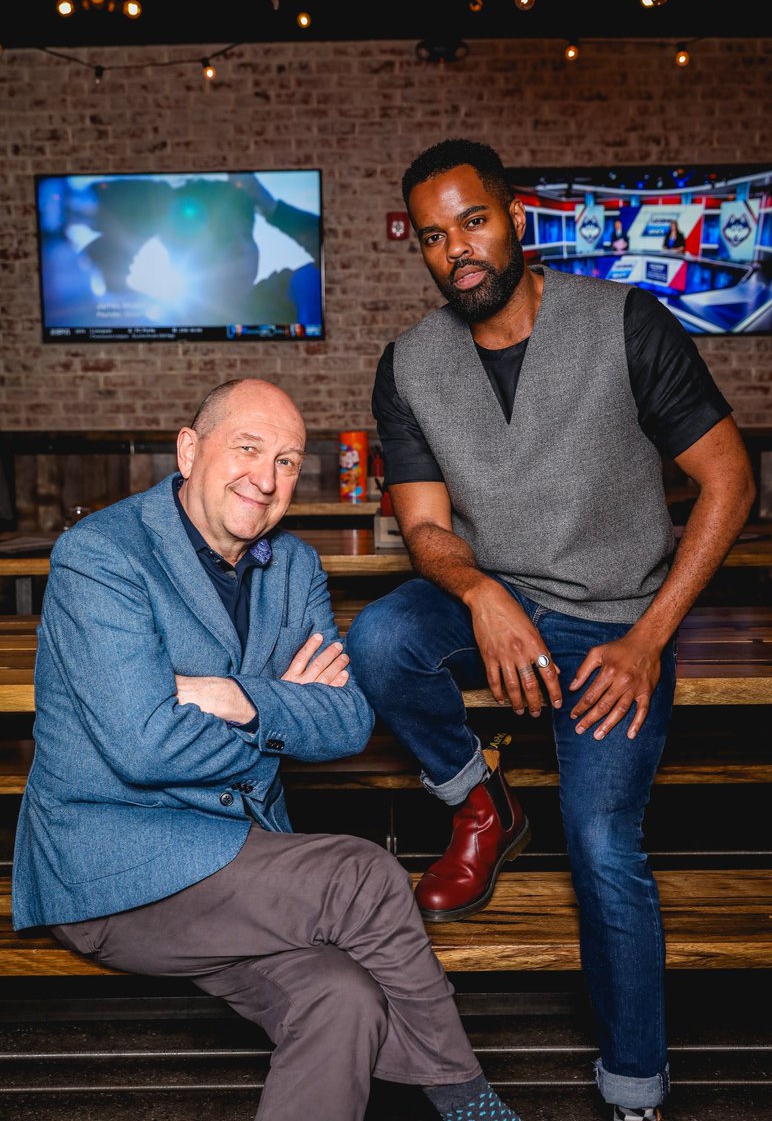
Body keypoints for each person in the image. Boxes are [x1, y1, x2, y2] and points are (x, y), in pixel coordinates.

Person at [347, 140, 755, 1121]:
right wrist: (480, 594)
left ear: (514, 217)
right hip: (491, 593)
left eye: (473, 223)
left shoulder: (621, 322)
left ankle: (633, 1092)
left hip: (617, 619)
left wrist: (649, 636)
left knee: (602, 843)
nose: (458, 254)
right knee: (377, 642)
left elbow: (728, 481)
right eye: (434, 238)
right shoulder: (408, 364)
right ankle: (478, 803)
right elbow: (425, 527)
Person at [12, 377, 524, 1121]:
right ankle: (468, 1102)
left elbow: (349, 721)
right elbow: (145, 747)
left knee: (342, 998)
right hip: (113, 872)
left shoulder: (294, 568)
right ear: (189, 451)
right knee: (364, 875)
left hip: (238, 869)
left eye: (288, 460)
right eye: (247, 448)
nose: (267, 476)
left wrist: (237, 696)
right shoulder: (102, 557)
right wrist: (281, 715)